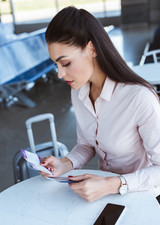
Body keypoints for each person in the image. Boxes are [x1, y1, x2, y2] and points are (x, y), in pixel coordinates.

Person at [40, 6, 160, 203]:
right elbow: (86, 145)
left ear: (92, 49)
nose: (60, 74)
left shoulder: (139, 98)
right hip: (104, 194)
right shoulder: (78, 91)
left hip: (143, 198)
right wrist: (65, 163)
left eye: (66, 63)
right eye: (56, 64)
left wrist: (113, 184)